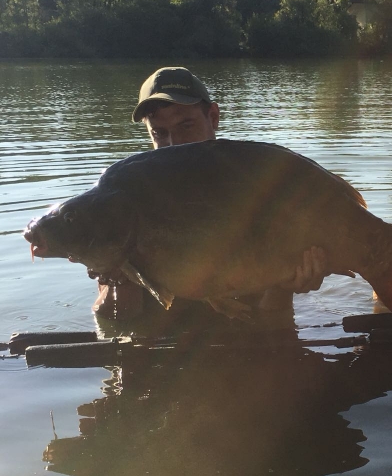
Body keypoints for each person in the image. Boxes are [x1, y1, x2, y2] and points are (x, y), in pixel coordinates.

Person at [93, 66, 328, 320]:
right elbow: (115, 321)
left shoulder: (250, 187)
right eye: (160, 133)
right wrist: (118, 279)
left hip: (247, 332)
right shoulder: (129, 200)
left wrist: (286, 285)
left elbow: (274, 318)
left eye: (186, 126)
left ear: (213, 117)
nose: (174, 144)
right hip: (167, 343)